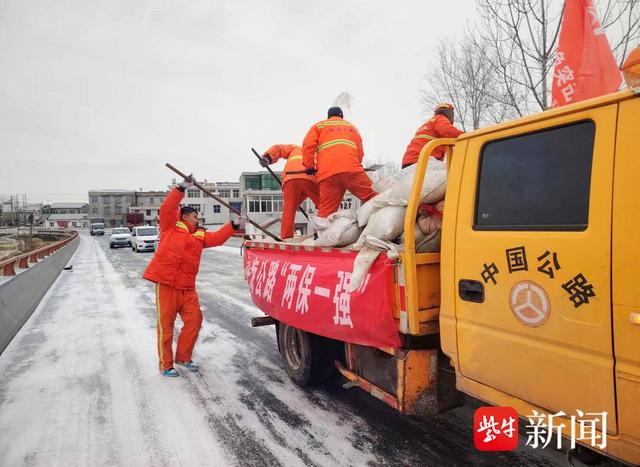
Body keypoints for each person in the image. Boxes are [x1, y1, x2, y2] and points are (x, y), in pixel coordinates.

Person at [143, 176, 246, 377]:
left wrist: (234, 225)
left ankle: (183, 357)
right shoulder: (170, 227)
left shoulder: (199, 236)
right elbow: (167, 208)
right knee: (166, 327)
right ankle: (166, 365)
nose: (197, 220)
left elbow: (216, 238)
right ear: (184, 217)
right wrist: (181, 188)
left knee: (194, 321)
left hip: (187, 288)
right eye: (194, 217)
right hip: (167, 286)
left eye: (198, 218)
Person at [302, 106, 376, 218]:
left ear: (328, 116)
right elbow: (359, 150)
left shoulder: (319, 126)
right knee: (373, 197)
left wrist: (310, 167)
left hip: (328, 175)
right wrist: (357, 165)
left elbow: (308, 146)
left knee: (326, 211)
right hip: (352, 170)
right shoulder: (351, 127)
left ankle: (320, 235)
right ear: (341, 116)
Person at [259, 144, 319, 239]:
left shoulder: (294, 148)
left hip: (290, 178)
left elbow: (278, 148)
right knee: (324, 206)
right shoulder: (319, 155)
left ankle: (286, 237)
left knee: (289, 209)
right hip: (311, 179)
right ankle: (320, 234)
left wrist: (267, 158)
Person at [401, 103, 464, 168]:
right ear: (450, 113)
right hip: (423, 161)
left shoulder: (428, 124)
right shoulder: (440, 118)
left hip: (409, 161)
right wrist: (466, 136)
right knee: (451, 173)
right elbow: (448, 132)